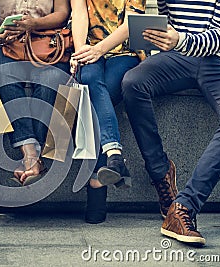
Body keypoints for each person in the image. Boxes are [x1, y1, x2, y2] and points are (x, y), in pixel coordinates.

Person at [122, 0, 220, 246]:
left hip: (219, 62)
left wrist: (179, 41)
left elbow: (219, 37)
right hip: (178, 58)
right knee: (133, 82)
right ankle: (161, 173)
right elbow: (162, 23)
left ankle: (183, 207)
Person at [70, 0, 146, 224]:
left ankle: (96, 182)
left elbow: (132, 22)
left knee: (96, 97)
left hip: (125, 52)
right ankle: (114, 157)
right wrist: (80, 51)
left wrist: (98, 50)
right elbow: (79, 12)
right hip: (88, 51)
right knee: (91, 79)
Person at [0, 0, 71, 186]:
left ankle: (33, 156)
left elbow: (63, 13)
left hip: (48, 47)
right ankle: (30, 153)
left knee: (51, 80)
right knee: (2, 74)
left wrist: (34, 24)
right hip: (7, 46)